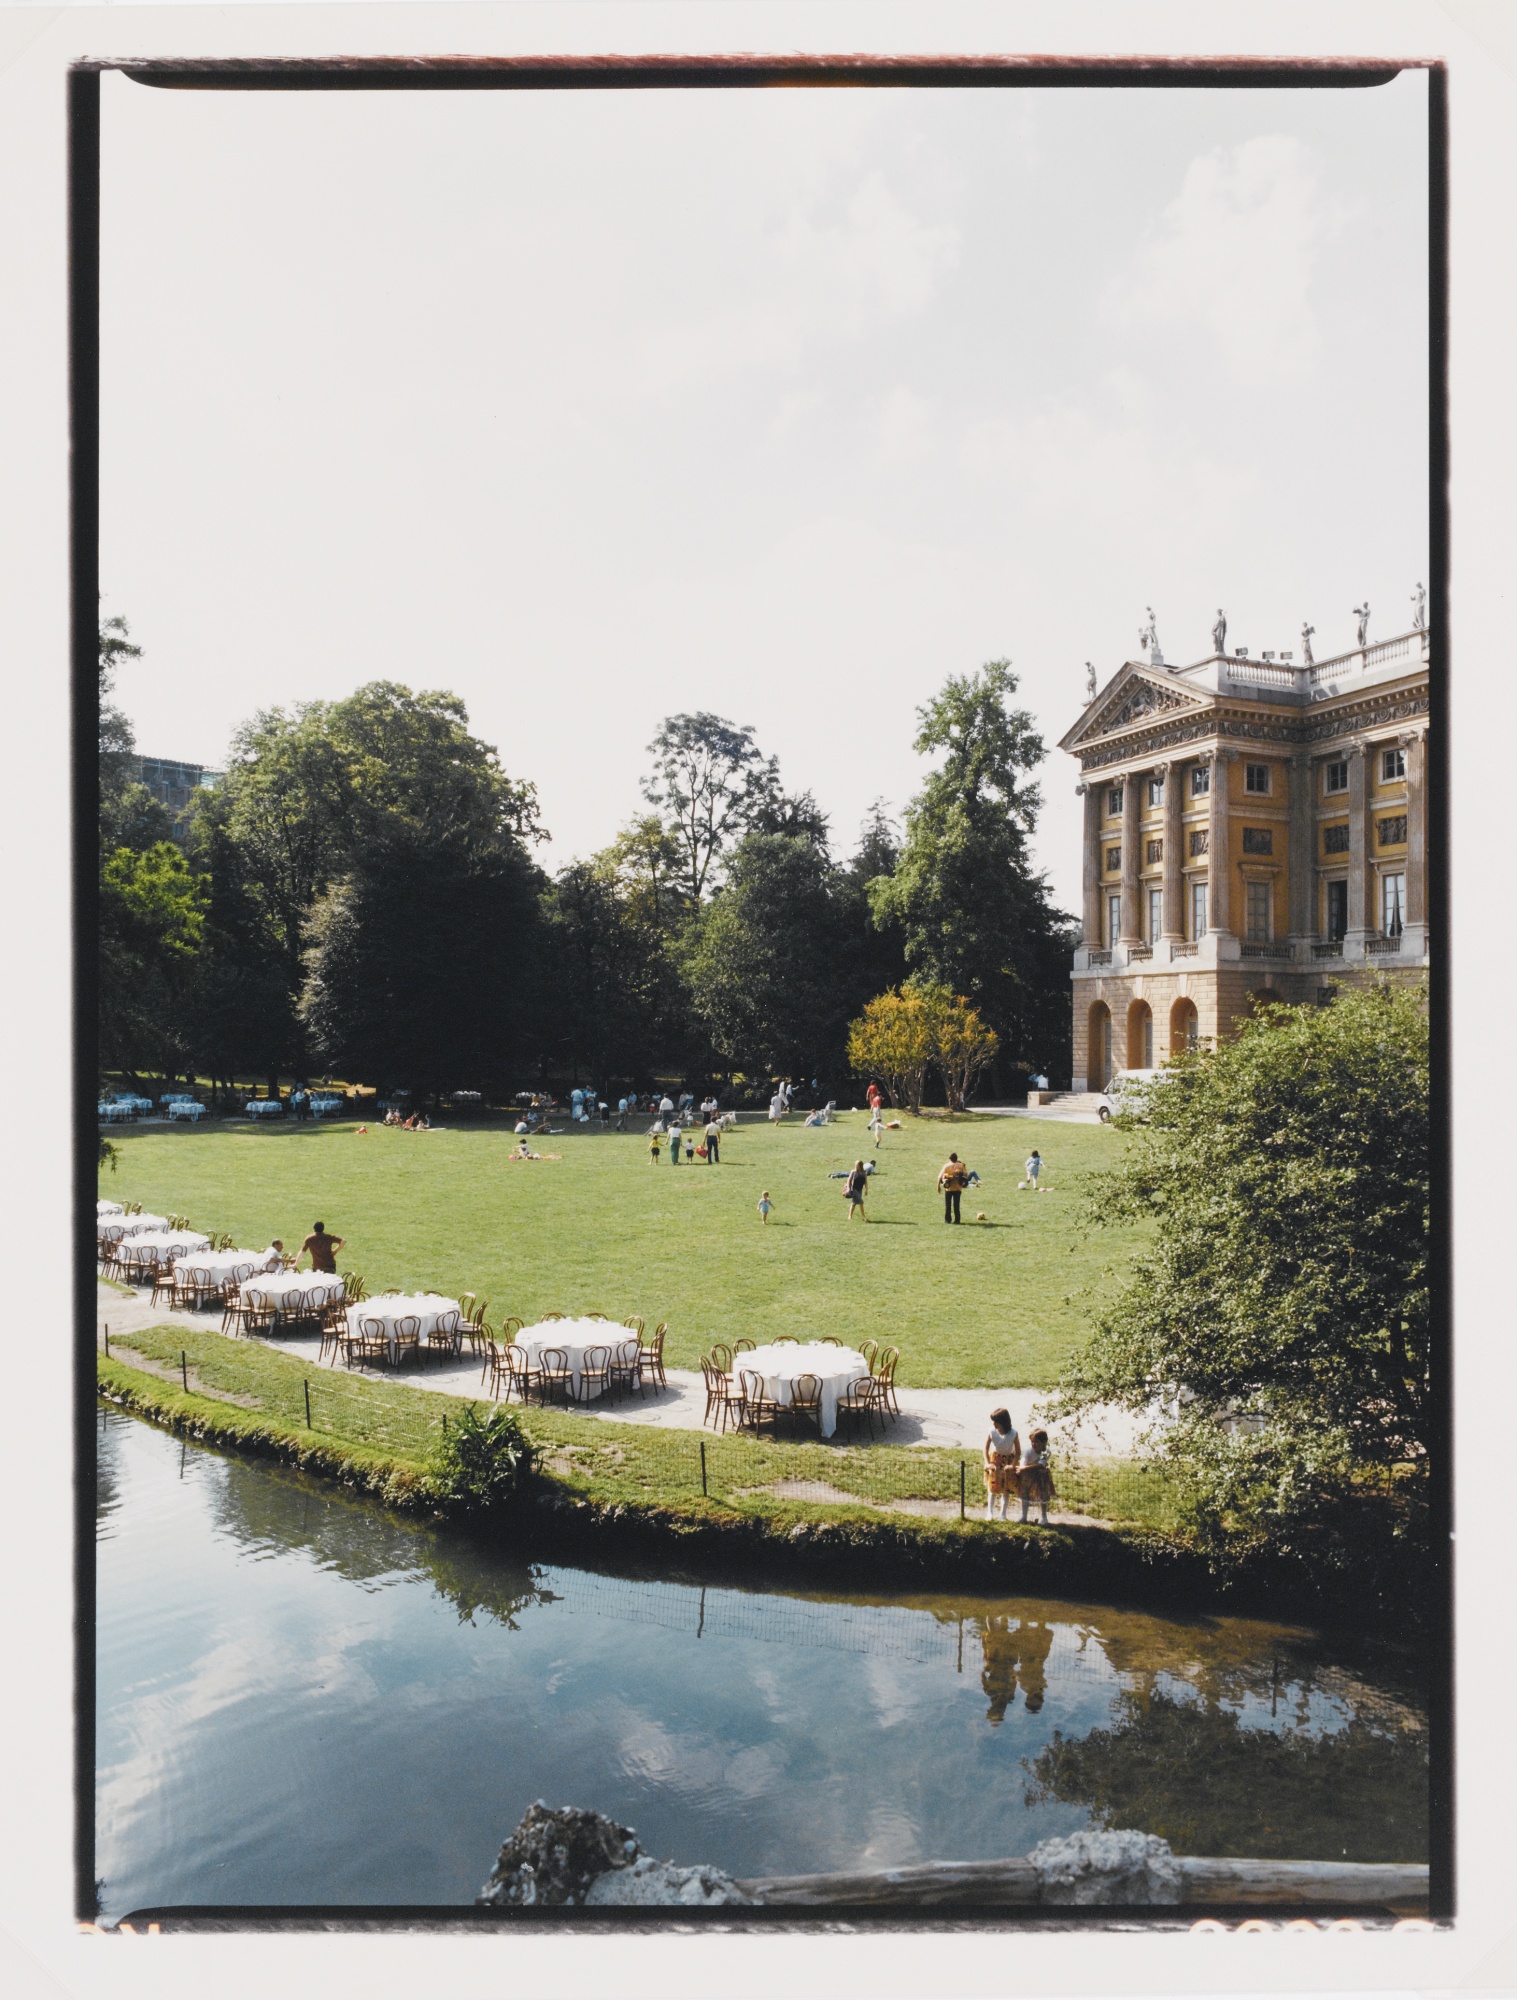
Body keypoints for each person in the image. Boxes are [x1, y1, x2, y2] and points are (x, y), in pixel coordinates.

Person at [983, 1408, 1021, 1521]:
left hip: (1008, 1462)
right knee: (993, 1488)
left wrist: (1013, 1465)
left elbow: (1018, 1451)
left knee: (1006, 1489)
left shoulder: (1013, 1434)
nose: (994, 1424)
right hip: (995, 1460)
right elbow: (985, 1448)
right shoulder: (991, 1431)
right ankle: (989, 1512)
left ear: (1003, 1422)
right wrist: (987, 1463)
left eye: (996, 1422)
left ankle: (1003, 1514)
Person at [1018, 1429, 1057, 1526]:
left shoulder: (1046, 1452)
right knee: (1025, 1494)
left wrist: (1024, 1468)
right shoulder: (1028, 1451)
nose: (1034, 1444)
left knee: (1043, 1494)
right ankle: (1024, 1516)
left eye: (1037, 1442)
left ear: (1044, 1442)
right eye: (1032, 1442)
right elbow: (1023, 1463)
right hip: (1028, 1475)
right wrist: (1023, 1468)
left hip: (1041, 1475)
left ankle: (1043, 1517)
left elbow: (1041, 1465)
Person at [939, 1151, 969, 1224]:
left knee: (948, 1205)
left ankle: (948, 1220)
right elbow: (965, 1174)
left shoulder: (946, 1166)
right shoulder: (961, 1165)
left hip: (948, 1188)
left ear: (950, 1159)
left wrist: (938, 1186)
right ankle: (957, 1220)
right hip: (957, 1188)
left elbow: (940, 1176)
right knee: (956, 1205)